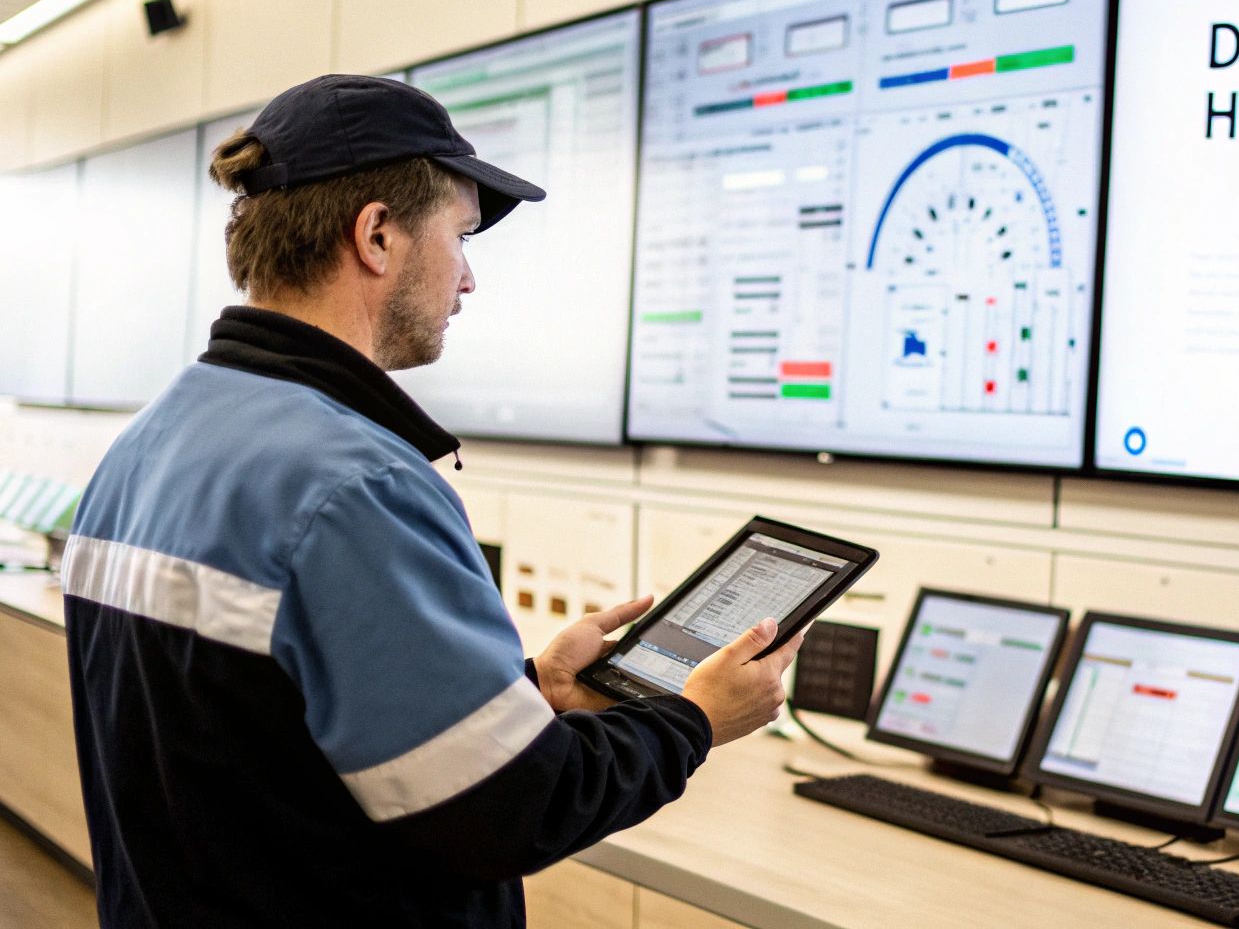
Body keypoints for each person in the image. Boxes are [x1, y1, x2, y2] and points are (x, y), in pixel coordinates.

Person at [60, 74, 802, 927]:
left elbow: (268, 732)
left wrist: (530, 692)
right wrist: (694, 718)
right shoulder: (356, 484)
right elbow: (508, 813)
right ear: (377, 234)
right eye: (460, 235)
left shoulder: (148, 442)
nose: (469, 279)